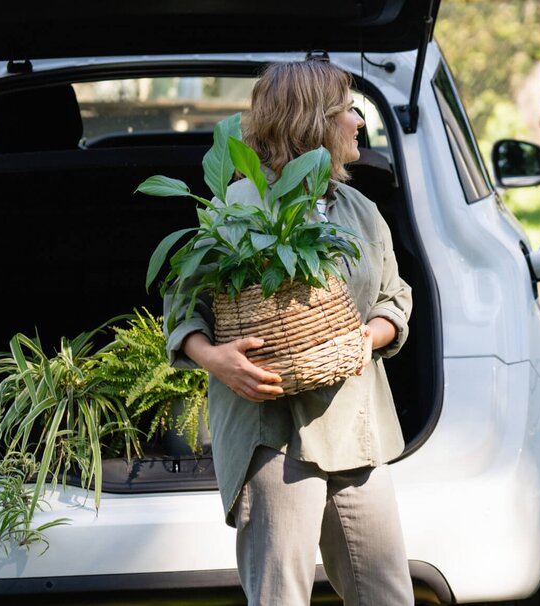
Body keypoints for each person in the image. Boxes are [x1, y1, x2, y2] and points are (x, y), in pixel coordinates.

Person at [164, 60, 414, 606]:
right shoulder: (236, 210)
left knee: (388, 594)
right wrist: (215, 359)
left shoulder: (363, 212)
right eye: (349, 110)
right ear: (314, 121)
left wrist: (365, 337)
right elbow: (183, 307)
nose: (358, 123)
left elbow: (396, 296)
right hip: (270, 432)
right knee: (281, 596)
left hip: (356, 425)